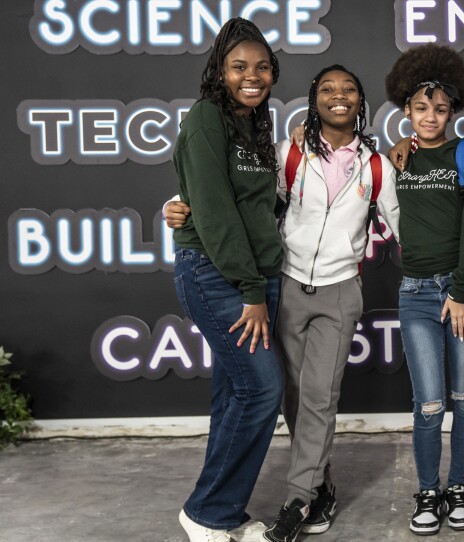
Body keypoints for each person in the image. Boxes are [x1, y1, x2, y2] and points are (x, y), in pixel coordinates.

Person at [165, 64, 400, 541]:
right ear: (313, 100)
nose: (339, 96)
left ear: (361, 100)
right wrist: (177, 202)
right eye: (328, 89)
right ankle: (321, 485)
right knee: (289, 397)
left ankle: (298, 501)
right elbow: (239, 198)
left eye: (349, 89)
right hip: (285, 286)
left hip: (340, 293)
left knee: (319, 397)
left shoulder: (378, 165)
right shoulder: (286, 154)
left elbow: (408, 231)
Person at [170, 17, 283, 542]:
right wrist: (252, 289)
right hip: (221, 277)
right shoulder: (206, 118)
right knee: (262, 390)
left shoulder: (255, 125)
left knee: (234, 396)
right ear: (220, 70)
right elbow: (214, 213)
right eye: (239, 67)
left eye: (261, 67)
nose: (252, 76)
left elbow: (259, 206)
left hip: (256, 274)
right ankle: (207, 511)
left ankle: (224, 512)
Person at [384, 44, 464, 536]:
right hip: (415, 294)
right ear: (407, 110)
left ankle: (458, 488)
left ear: (453, 112)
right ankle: (428, 490)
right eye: (421, 107)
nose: (431, 116)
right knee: (429, 402)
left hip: (463, 291)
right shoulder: (393, 160)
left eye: (441, 108)